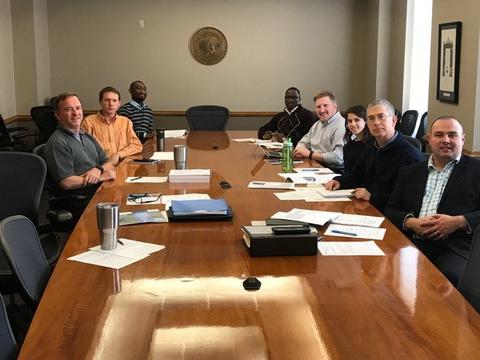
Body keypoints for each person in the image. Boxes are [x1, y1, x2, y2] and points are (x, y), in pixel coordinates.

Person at [385, 116, 480, 285]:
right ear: (429, 139)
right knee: (389, 272)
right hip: (412, 240)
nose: (446, 140)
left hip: (455, 246)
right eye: (439, 135)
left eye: (452, 135)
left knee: (446, 281)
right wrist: (411, 223)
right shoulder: (409, 172)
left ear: (462, 139)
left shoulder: (476, 171)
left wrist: (459, 222)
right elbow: (391, 210)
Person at [324, 99, 423, 211]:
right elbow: (356, 173)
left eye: (381, 117)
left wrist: (372, 197)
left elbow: (406, 200)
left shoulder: (410, 156)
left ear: (394, 120)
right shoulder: (372, 147)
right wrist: (339, 181)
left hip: (388, 215)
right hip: (366, 206)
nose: (376, 122)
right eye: (371, 118)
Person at [44, 92, 116, 222]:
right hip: (79, 201)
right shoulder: (57, 143)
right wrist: (100, 177)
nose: (75, 113)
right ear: (57, 115)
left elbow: (108, 163)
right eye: (68, 109)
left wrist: (98, 169)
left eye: (78, 108)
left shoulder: (85, 135)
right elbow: (66, 182)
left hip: (98, 192)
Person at [83, 86, 143, 165]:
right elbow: (84, 150)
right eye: (107, 100)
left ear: (119, 104)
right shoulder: (89, 122)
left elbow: (137, 145)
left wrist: (119, 155)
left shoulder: (126, 122)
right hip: (99, 168)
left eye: (114, 100)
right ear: (100, 102)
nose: (111, 104)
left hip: (123, 167)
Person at [293, 90, 345, 171]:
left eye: (325, 105)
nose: (322, 110)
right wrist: (299, 152)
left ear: (335, 106)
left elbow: (338, 158)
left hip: (332, 171)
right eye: (318, 107)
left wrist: (310, 154)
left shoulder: (341, 125)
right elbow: (302, 143)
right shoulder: (317, 124)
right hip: (314, 166)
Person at [343, 105, 371, 172]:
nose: (353, 124)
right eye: (350, 121)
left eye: (357, 120)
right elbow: (347, 172)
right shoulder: (347, 147)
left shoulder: (373, 144)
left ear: (365, 121)